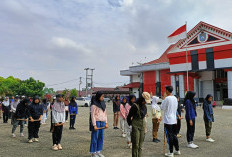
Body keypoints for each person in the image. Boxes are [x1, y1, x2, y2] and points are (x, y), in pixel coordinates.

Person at [127, 92, 150, 157]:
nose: (145, 103)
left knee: (141, 145)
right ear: (141, 99)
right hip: (135, 125)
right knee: (135, 144)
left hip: (142, 126)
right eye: (144, 101)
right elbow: (129, 117)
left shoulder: (145, 106)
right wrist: (131, 125)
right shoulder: (134, 106)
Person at [161, 86, 180, 157]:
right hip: (174, 119)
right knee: (174, 135)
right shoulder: (175, 98)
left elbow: (162, 107)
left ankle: (171, 151)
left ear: (167, 91)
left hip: (168, 120)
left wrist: (163, 100)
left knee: (169, 136)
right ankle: (177, 150)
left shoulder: (167, 98)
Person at [89, 91, 108, 157]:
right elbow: (92, 116)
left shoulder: (103, 103)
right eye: (102, 96)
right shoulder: (94, 105)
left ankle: (98, 151)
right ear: (98, 96)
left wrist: (106, 123)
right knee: (95, 137)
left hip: (102, 122)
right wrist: (94, 125)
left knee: (101, 137)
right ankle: (93, 153)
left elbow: (105, 114)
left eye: (103, 96)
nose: (103, 97)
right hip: (96, 122)